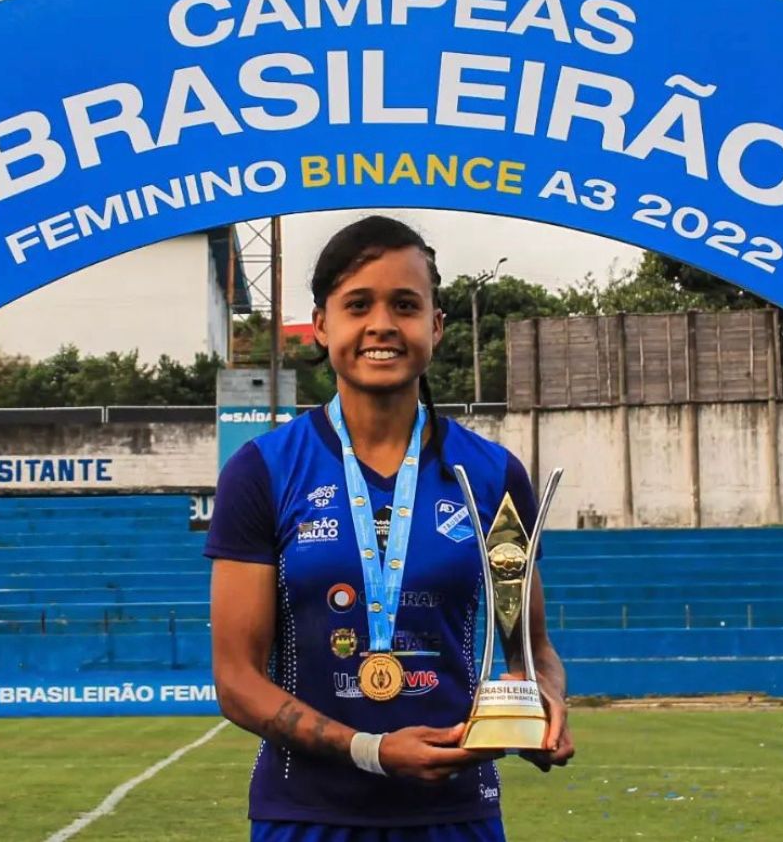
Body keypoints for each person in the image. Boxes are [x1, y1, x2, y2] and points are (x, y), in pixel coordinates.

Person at [205, 215, 573, 841]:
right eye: (358, 305)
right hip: (308, 815)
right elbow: (237, 681)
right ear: (322, 325)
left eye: (405, 305)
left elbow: (530, 652)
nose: (381, 325)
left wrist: (540, 703)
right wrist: (371, 749)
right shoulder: (262, 471)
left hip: (455, 813)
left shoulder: (492, 474)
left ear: (435, 326)